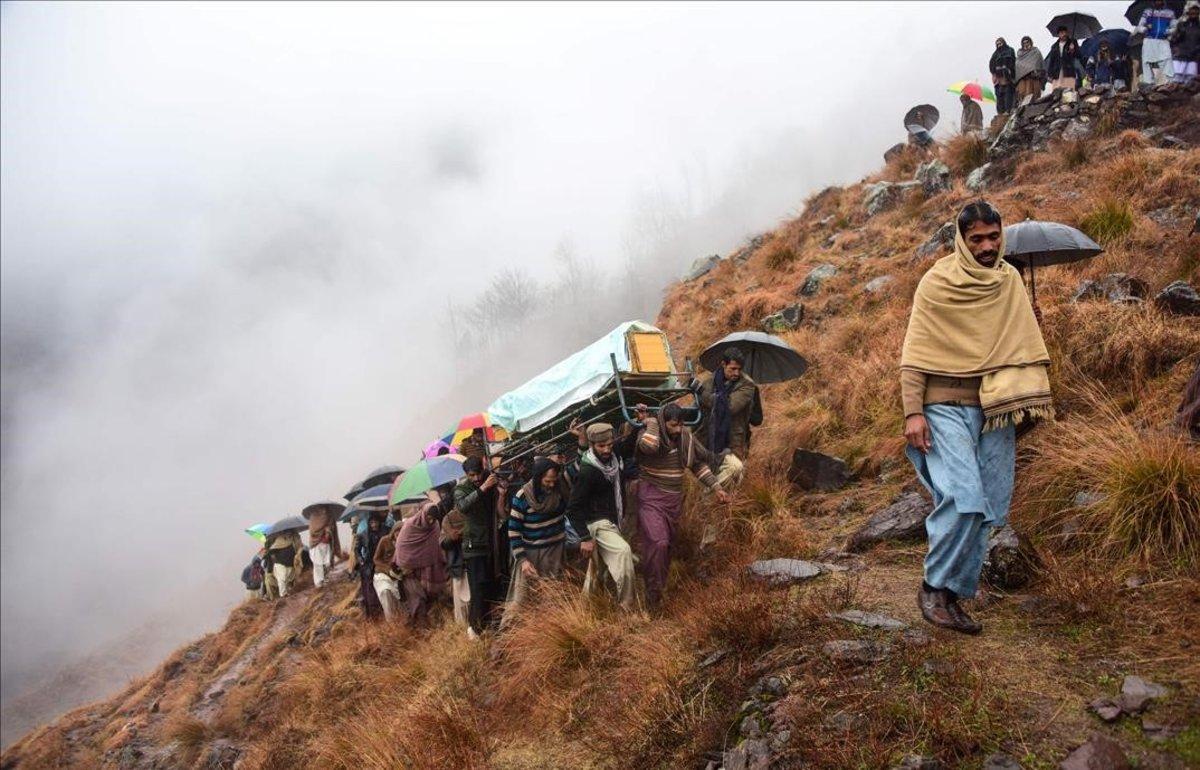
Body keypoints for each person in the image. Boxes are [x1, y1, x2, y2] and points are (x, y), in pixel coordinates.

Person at [900, 200, 1053, 635]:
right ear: (962, 240)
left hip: (996, 409)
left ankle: (953, 595)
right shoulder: (937, 283)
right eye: (977, 239)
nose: (987, 247)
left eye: (993, 237)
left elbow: (1016, 346)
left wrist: (1029, 324)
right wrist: (914, 412)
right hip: (943, 406)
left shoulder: (1010, 281)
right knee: (964, 499)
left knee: (990, 506)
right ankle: (933, 587)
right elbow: (915, 353)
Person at [634, 403, 730, 611]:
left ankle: (655, 592)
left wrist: (716, 487)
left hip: (673, 502)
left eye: (680, 425)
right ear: (662, 422)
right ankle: (652, 596)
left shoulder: (685, 437)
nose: (677, 430)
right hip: (651, 498)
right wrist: (651, 422)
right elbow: (648, 446)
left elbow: (696, 465)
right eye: (672, 425)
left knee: (666, 548)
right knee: (658, 543)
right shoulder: (649, 434)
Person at [565, 422, 637, 610]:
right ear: (592, 445)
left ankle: (588, 612)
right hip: (597, 523)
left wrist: (638, 424)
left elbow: (628, 446)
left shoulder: (614, 455)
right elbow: (573, 509)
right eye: (601, 446)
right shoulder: (588, 471)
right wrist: (585, 538)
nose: (606, 450)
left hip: (613, 521)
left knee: (597, 574)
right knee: (623, 552)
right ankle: (627, 609)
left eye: (609, 445)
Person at [503, 458, 569, 623]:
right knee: (520, 600)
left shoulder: (560, 491)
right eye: (547, 481)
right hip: (531, 556)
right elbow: (513, 530)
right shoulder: (522, 496)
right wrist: (523, 560)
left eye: (554, 481)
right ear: (538, 478)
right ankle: (506, 641)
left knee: (553, 598)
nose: (551, 485)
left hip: (555, 553)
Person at [454, 456, 501, 637]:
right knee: (478, 588)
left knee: (491, 585)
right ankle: (474, 628)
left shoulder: (489, 478)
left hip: (491, 542)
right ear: (466, 474)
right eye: (472, 475)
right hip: (474, 546)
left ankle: (486, 625)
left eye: (478, 474)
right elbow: (462, 506)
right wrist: (482, 488)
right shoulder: (461, 489)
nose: (476, 478)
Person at [695, 346, 758, 467]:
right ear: (723, 364)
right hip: (707, 437)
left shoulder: (747, 384)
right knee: (706, 476)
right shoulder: (710, 381)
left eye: (739, 369)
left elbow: (730, 407)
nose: (736, 373)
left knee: (731, 474)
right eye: (733, 369)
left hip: (733, 440)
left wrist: (701, 393)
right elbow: (699, 407)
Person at [394, 493, 450, 628]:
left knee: (430, 599)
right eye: (429, 518)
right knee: (417, 600)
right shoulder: (409, 526)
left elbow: (437, 548)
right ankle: (420, 629)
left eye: (433, 519)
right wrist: (410, 564)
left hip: (429, 571)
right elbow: (402, 549)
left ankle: (428, 628)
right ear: (423, 515)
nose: (430, 521)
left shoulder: (435, 526)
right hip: (410, 573)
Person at [357, 513, 388, 620]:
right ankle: (374, 613)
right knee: (370, 589)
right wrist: (361, 560)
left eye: (376, 522)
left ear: (379, 522)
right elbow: (357, 550)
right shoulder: (364, 534)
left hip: (383, 561)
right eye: (371, 523)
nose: (374, 525)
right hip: (369, 564)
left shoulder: (385, 531)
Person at [1138, 0, 1178, 84]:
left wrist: (1167, 31)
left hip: (1163, 41)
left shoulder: (1170, 13)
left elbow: (1175, 28)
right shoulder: (1147, 12)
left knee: (1167, 59)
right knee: (1146, 61)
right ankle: (1148, 83)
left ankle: (1171, 83)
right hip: (1149, 40)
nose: (1158, 2)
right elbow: (1139, 27)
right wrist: (1146, 28)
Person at [372, 521, 404, 622]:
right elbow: (376, 559)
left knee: (400, 600)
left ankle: (401, 621)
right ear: (393, 532)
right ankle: (391, 623)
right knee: (386, 592)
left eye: (401, 532)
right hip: (383, 574)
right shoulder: (385, 540)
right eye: (397, 532)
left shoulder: (406, 541)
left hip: (399, 575)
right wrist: (387, 569)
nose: (398, 534)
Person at [1170, 1, 1200, 83]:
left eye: (1196, 10)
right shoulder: (1181, 25)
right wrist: (1179, 35)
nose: (1194, 12)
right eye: (1192, 10)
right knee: (1175, 81)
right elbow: (1173, 41)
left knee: (1190, 82)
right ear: (1188, 12)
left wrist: (1196, 50)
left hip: (1193, 58)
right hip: (1179, 57)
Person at [267, 529, 302, 598]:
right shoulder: (279, 540)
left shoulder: (294, 540)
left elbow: (299, 548)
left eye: (290, 532)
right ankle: (283, 594)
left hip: (290, 563)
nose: (289, 533)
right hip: (280, 563)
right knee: (282, 578)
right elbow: (271, 551)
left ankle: (285, 593)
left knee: (288, 578)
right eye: (287, 532)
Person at [307, 509, 337, 588]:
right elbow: (313, 532)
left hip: (326, 544)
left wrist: (329, 530)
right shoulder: (313, 518)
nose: (324, 510)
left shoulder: (330, 517)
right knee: (318, 564)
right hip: (316, 544)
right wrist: (323, 530)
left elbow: (333, 529)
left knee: (327, 563)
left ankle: (325, 579)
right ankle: (318, 582)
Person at [1045, 26, 1081, 91]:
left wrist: (1073, 50)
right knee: (1056, 93)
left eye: (1065, 32)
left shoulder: (1072, 42)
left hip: (1068, 71)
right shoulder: (1054, 46)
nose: (1064, 34)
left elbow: (1079, 56)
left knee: (1068, 92)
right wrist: (1049, 74)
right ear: (1058, 34)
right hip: (1057, 72)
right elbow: (1051, 61)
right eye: (1061, 33)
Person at [1014, 36, 1046, 103]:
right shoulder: (1020, 55)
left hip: (1033, 78)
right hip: (1022, 79)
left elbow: (1040, 65)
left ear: (1030, 42)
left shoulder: (1036, 52)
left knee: (1033, 95)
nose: (1026, 44)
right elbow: (1017, 66)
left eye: (1027, 42)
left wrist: (1036, 72)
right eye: (1024, 43)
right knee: (1023, 94)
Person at [990, 37, 1017, 114]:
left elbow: (1013, 61)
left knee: (1008, 94)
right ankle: (1000, 113)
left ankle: (1008, 110)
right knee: (999, 95)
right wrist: (994, 71)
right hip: (998, 77)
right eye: (997, 44)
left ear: (1004, 43)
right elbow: (991, 65)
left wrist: (1008, 68)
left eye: (1000, 43)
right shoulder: (995, 54)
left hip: (1007, 76)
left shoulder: (1010, 50)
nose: (999, 45)